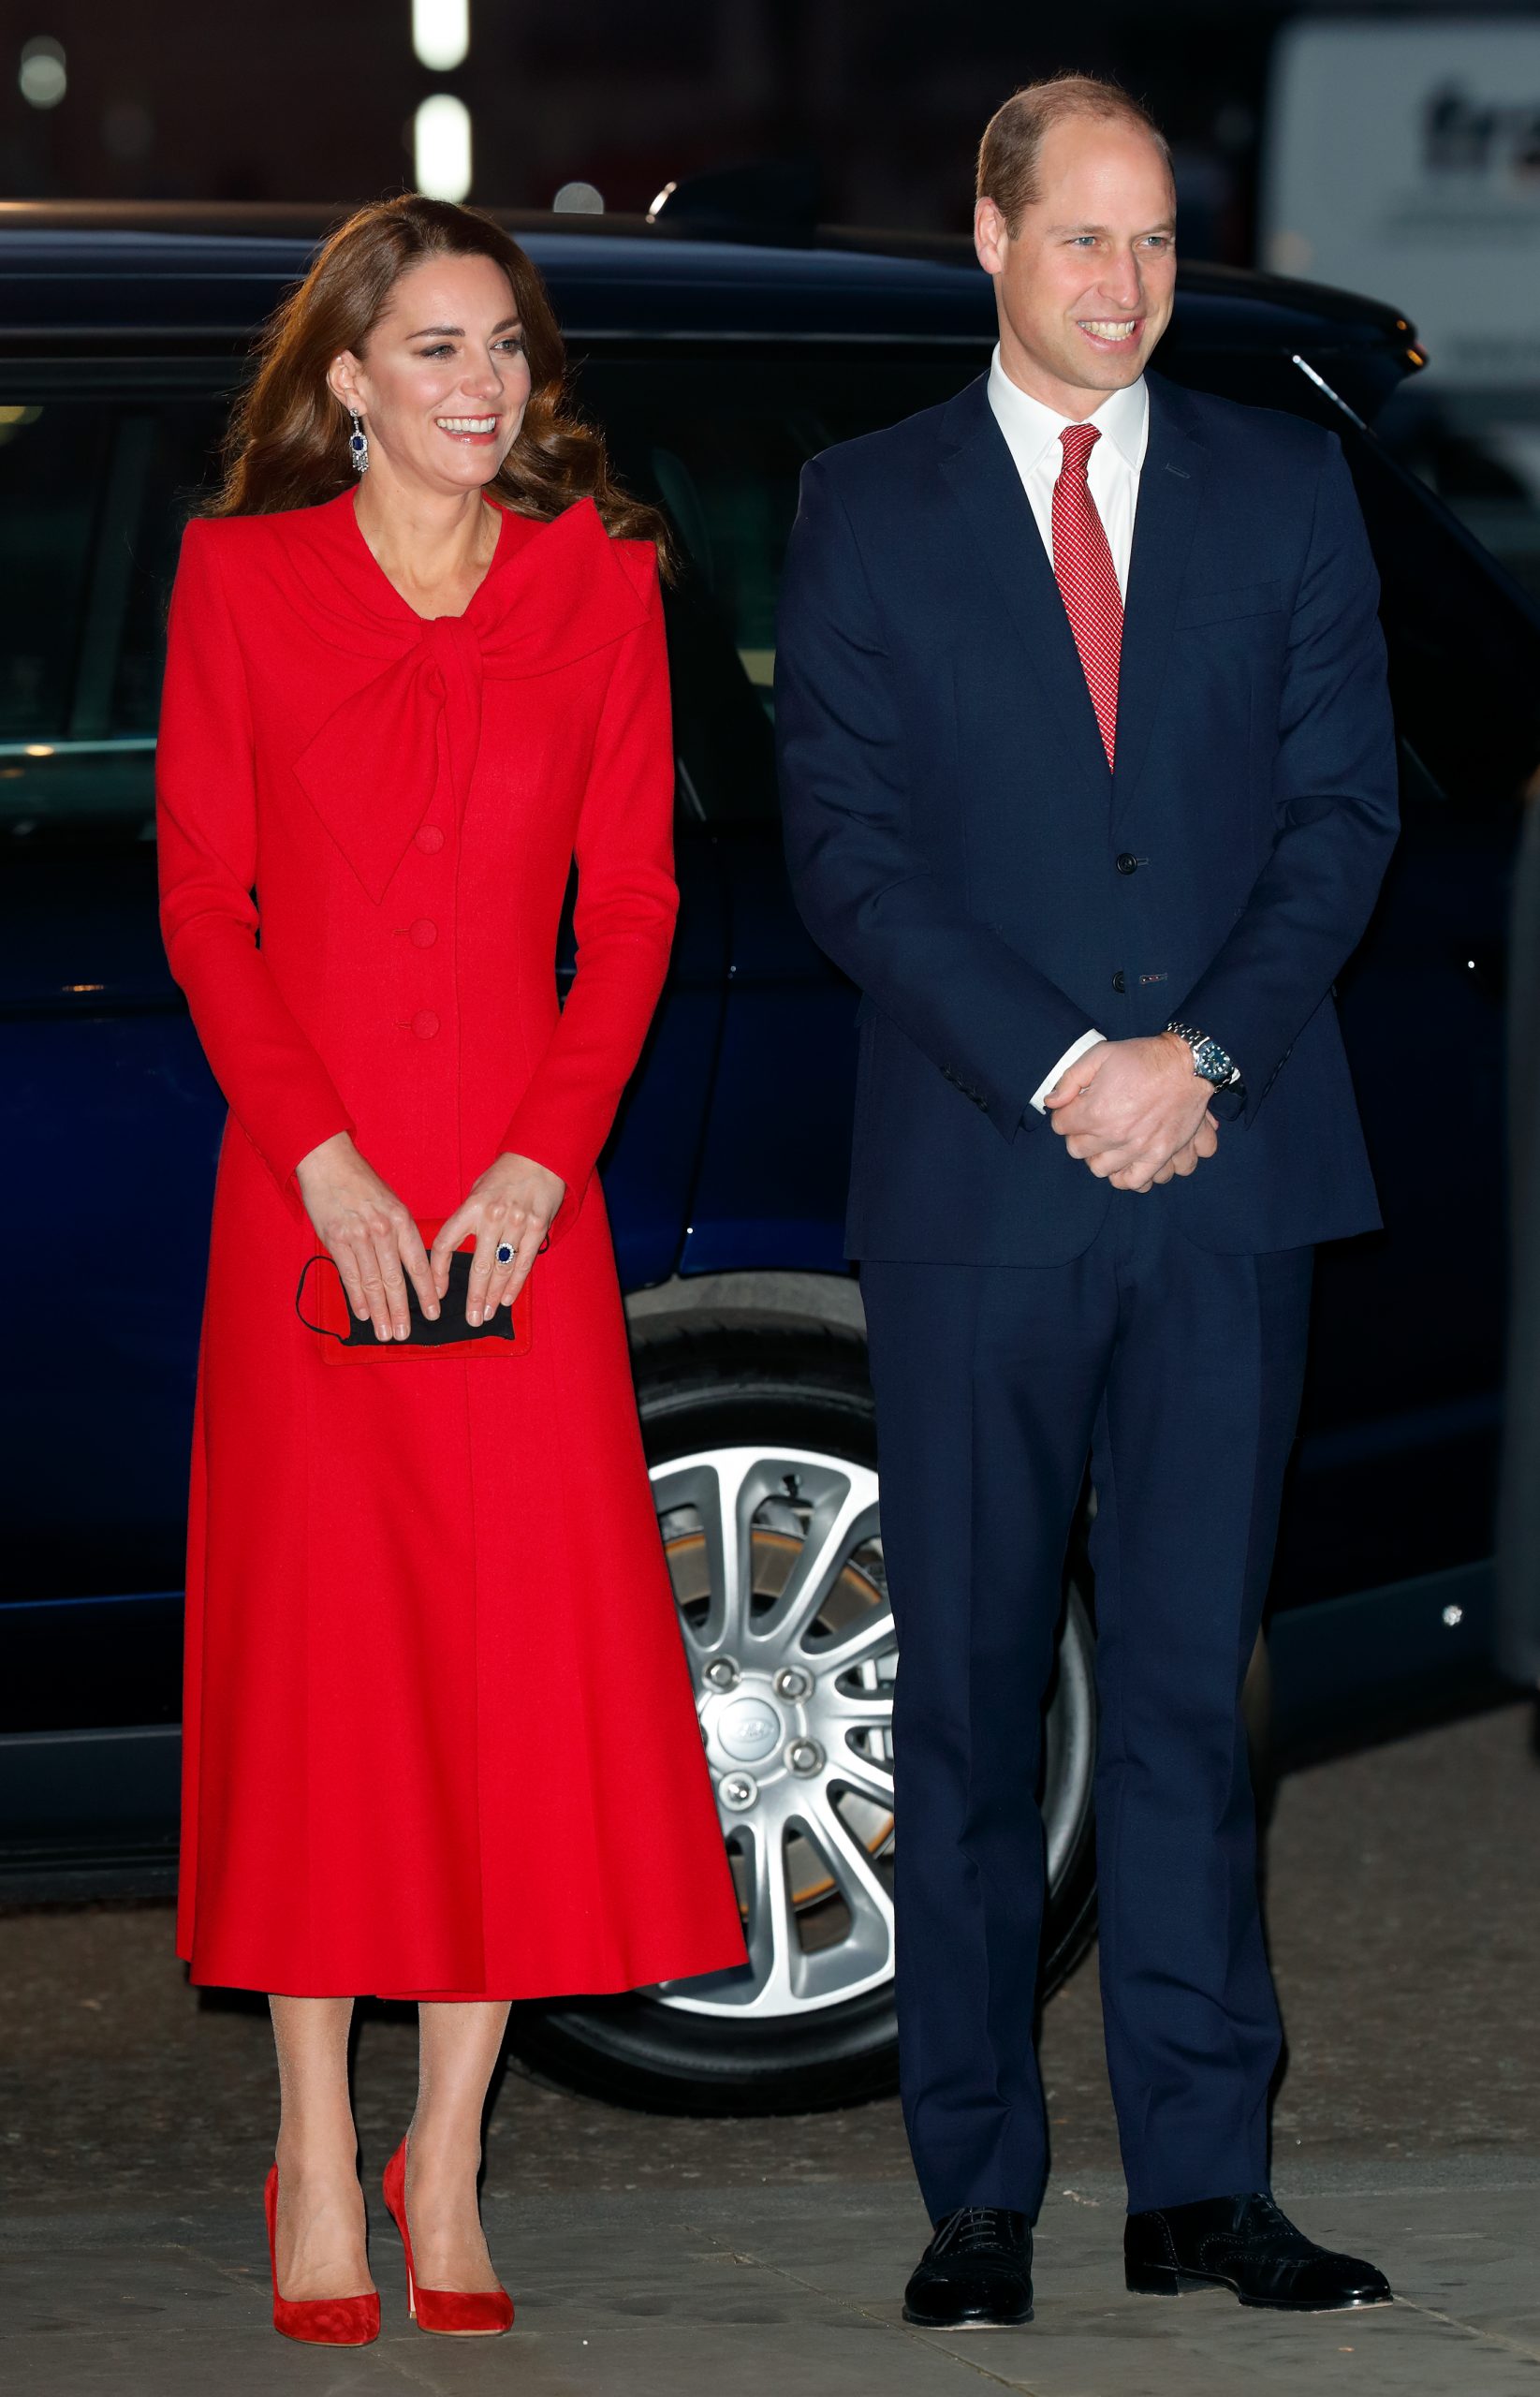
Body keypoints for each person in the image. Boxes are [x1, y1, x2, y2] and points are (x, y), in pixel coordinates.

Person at [777, 75, 1399, 2327]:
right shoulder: (868, 507)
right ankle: (977, 2188)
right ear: (987, 239)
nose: (1125, 286)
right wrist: (1064, 1066)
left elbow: (1344, 814)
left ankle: (1203, 2183)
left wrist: (1195, 1055)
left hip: (1225, 1175)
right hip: (979, 1180)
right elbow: (844, 849)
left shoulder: (1282, 483)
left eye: (1154, 244)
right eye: (1082, 240)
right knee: (960, 1708)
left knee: (1180, 1700)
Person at [155, 194, 744, 2346]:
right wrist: (315, 1155)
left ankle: (452, 2151)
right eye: (433, 350)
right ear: (344, 382)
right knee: (327, 1678)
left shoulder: (600, 585)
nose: (484, 386)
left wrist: (540, 1158)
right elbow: (204, 899)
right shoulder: (238, 582)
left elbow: (642, 902)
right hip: (307, 1206)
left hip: (519, 1202)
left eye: (504, 345)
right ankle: (318, 2139)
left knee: (500, 1678)